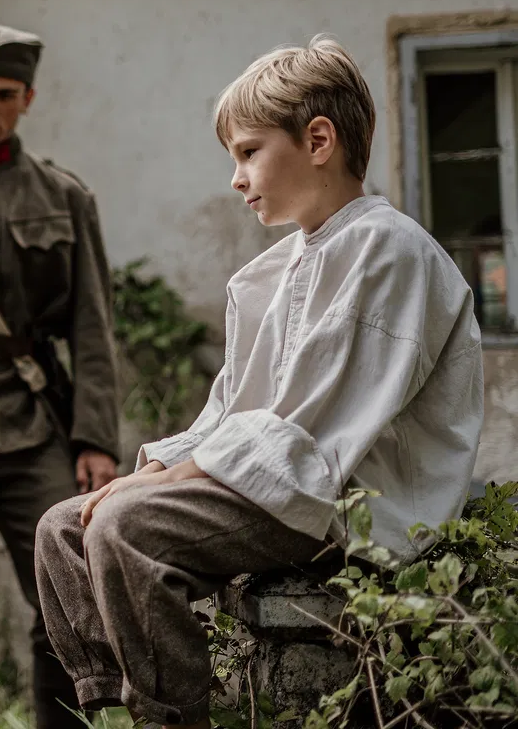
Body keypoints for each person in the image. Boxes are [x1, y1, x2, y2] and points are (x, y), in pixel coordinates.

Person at [34, 36, 484, 729]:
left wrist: (155, 484)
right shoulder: (275, 272)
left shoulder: (388, 250)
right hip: (280, 483)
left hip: (347, 503)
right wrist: (156, 465)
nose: (237, 179)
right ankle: (110, 707)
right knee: (63, 525)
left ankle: (172, 718)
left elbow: (312, 432)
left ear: (319, 140)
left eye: (248, 153)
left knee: (124, 526)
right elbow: (233, 412)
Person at [0, 22, 122, 727]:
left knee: (65, 605)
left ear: (28, 99)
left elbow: (93, 326)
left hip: (33, 423)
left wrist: (94, 438)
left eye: (4, 94)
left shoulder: (62, 196)